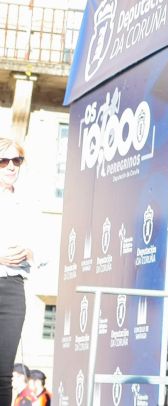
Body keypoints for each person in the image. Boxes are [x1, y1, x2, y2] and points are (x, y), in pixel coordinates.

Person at [0, 140, 34, 406]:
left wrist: (30, 252)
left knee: (3, 373)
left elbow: (42, 248)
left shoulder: (28, 201)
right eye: (3, 160)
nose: (10, 166)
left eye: (16, 160)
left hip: (14, 288)